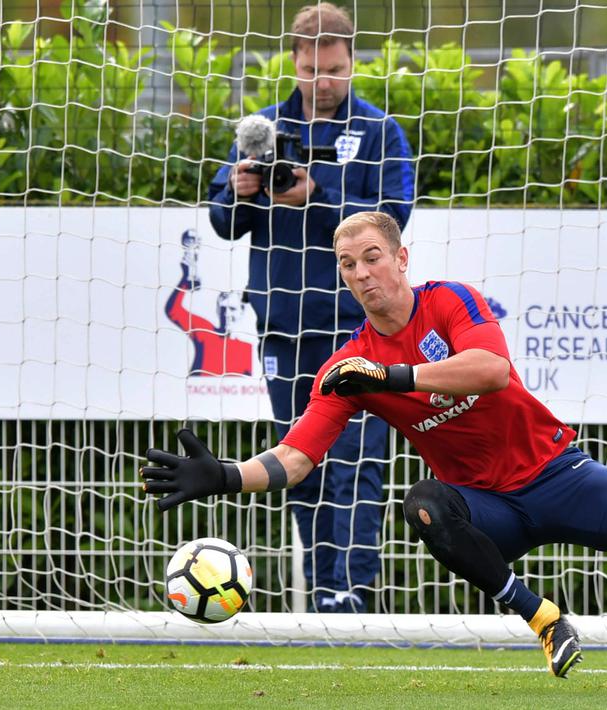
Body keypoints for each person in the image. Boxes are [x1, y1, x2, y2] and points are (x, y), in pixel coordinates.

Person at [141, 211, 607, 678]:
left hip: (557, 475)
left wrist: (392, 377)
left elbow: (492, 371)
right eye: (348, 264)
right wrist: (226, 476)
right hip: (485, 508)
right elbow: (295, 458)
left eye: (372, 257)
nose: (361, 273)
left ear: (401, 257)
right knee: (424, 504)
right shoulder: (346, 368)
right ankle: (544, 619)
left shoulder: (449, 300)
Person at [207, 2, 415, 613]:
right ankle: (324, 592)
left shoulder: (380, 132)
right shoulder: (264, 129)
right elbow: (223, 222)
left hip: (360, 332)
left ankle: (348, 596)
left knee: (357, 467)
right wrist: (241, 190)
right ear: (293, 63)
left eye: (334, 69)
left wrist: (317, 195)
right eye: (311, 69)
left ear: (352, 62)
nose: (322, 81)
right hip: (283, 328)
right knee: (298, 468)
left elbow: (393, 218)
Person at [165, 230, 254, 377]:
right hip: (196, 396)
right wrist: (185, 281)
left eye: (231, 309)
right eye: (223, 309)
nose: (227, 314)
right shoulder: (205, 332)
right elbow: (173, 311)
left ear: (242, 311)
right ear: (218, 310)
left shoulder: (249, 347)